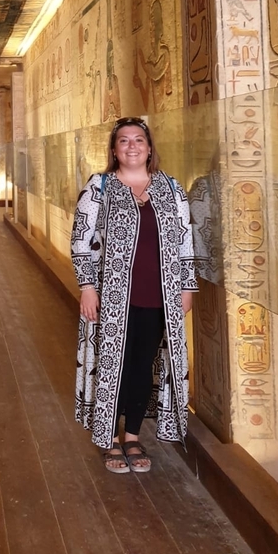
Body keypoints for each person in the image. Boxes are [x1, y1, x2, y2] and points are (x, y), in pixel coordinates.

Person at [70, 117, 197, 474]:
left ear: (149, 147)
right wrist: (87, 286)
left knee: (142, 366)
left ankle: (132, 436)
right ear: (114, 150)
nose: (131, 146)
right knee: (115, 365)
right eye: (123, 141)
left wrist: (186, 287)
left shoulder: (170, 188)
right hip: (112, 295)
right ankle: (109, 436)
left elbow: (185, 240)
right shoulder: (101, 187)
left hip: (160, 295)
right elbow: (82, 240)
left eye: (138, 140)